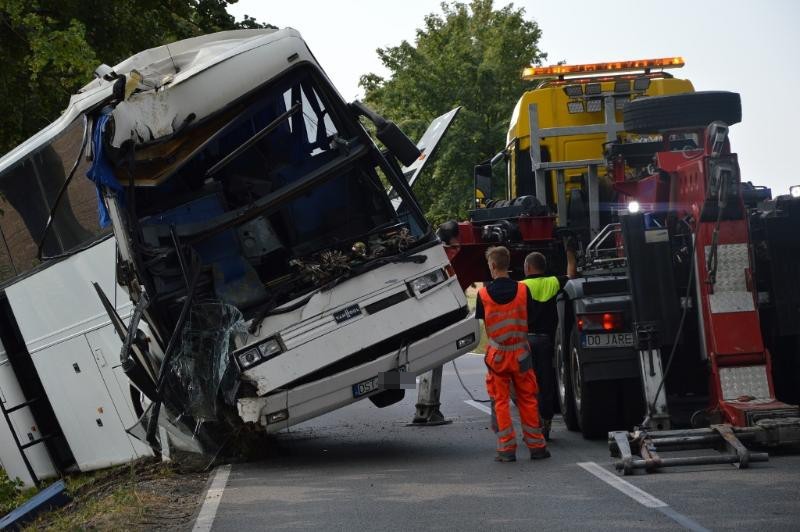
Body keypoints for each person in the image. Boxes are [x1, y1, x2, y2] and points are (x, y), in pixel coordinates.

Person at [475, 246, 549, 462]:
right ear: (508, 265)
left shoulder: (483, 294)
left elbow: (484, 322)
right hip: (521, 355)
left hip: (497, 357)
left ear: (493, 265)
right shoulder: (523, 290)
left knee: (501, 401)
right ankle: (537, 447)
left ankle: (507, 450)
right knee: (527, 398)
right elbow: (531, 317)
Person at [521, 243, 577, 441]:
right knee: (546, 384)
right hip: (547, 342)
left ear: (528, 268)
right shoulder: (553, 282)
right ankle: (546, 423)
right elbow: (571, 276)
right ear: (543, 267)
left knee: (527, 384)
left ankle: (532, 424)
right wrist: (570, 253)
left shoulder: (521, 287)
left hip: (526, 342)